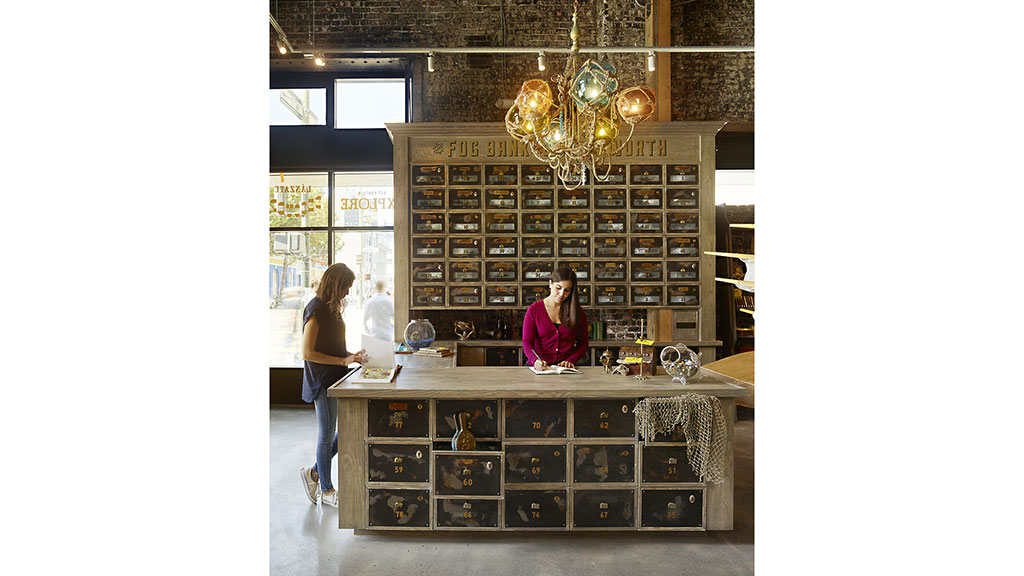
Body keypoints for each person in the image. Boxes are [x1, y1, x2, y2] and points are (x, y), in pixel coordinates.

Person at [298, 263, 367, 508]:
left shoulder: (332, 309)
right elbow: (307, 352)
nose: (348, 292)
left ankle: (314, 473)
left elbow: (331, 347)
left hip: (336, 379)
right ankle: (326, 490)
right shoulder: (316, 308)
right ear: (335, 284)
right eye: (346, 287)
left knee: (343, 431)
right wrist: (342, 360)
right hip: (323, 381)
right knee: (326, 437)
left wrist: (351, 355)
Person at [522, 266, 589, 370]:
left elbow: (583, 344)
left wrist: (570, 360)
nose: (562, 294)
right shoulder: (534, 310)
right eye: (558, 288)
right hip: (539, 367)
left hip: (565, 368)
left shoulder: (578, 311)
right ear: (550, 284)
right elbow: (526, 342)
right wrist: (535, 360)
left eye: (567, 290)